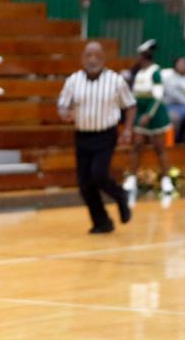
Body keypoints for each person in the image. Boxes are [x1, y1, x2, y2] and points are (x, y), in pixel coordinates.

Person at [57, 42, 136, 233]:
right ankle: (102, 222)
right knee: (85, 185)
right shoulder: (73, 80)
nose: (92, 59)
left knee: (99, 175)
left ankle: (120, 196)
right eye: (88, 55)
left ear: (103, 57)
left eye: (96, 55)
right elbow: (62, 105)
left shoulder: (116, 81)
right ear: (82, 58)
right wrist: (64, 113)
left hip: (105, 134)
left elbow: (130, 105)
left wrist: (127, 130)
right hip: (82, 135)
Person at [123, 40, 175, 201]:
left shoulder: (155, 71)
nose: (138, 58)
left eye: (140, 56)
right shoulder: (139, 73)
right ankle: (131, 179)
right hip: (141, 113)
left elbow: (158, 96)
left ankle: (167, 181)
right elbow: (136, 95)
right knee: (137, 145)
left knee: (159, 148)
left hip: (155, 114)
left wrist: (149, 115)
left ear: (145, 56)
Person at [162, 55, 185, 132]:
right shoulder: (169, 78)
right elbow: (174, 95)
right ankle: (175, 140)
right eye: (180, 63)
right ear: (175, 65)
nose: (183, 65)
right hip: (172, 107)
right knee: (174, 117)